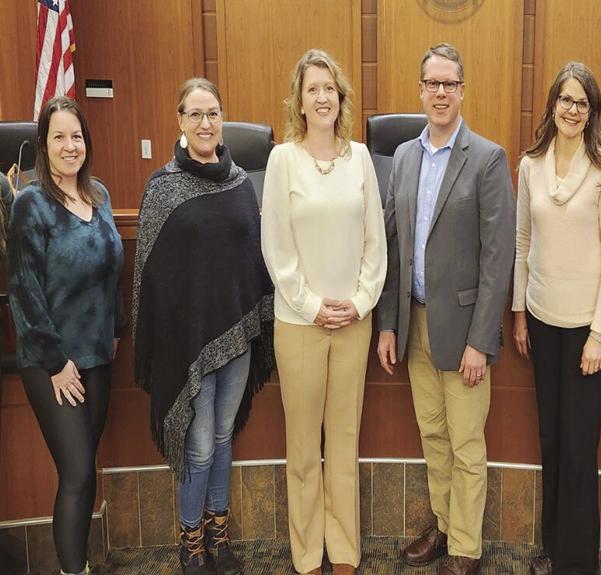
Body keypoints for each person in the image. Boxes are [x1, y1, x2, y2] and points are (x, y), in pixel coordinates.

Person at [375, 42, 516, 575]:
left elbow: (497, 259)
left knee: (465, 443)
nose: (440, 92)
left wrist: (482, 340)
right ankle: (442, 522)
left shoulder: (487, 158)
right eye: (432, 83)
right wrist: (388, 325)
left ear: (462, 90)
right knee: (433, 435)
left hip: (463, 331)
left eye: (449, 84)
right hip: (414, 323)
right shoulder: (405, 157)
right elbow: (395, 247)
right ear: (421, 90)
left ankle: (466, 548)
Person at [133, 77, 276, 575]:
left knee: (220, 439)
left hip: (235, 338)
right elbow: (150, 277)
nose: (205, 123)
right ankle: (189, 541)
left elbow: (253, 257)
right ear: (179, 121)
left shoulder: (240, 183)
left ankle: (218, 534)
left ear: (223, 118)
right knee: (196, 445)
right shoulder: (163, 187)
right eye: (194, 114)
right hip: (187, 344)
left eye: (212, 113)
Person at [261, 48, 387, 575]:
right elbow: (276, 247)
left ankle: (345, 553)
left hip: (354, 325)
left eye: (329, 88)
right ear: (299, 99)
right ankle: (308, 555)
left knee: (344, 443)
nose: (321, 97)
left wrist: (357, 304)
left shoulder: (360, 157)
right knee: (302, 448)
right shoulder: (281, 159)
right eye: (312, 88)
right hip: (300, 326)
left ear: (341, 98)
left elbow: (374, 243)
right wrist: (313, 307)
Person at [511, 61, 601, 575]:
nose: (573, 110)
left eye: (582, 102)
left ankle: (579, 564)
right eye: (565, 99)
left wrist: (599, 332)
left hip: (585, 330)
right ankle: (555, 551)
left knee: (580, 449)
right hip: (540, 319)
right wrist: (518, 313)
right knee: (552, 441)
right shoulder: (530, 165)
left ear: (591, 111)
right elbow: (522, 242)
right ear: (552, 104)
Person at [6, 96, 124, 575]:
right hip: (52, 364)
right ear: (44, 144)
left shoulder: (99, 195)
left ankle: (80, 563)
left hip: (98, 357)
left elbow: (112, 271)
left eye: (76, 136)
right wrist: (56, 362)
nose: (69, 145)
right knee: (76, 475)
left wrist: (116, 329)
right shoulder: (31, 204)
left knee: (85, 469)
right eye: (59, 137)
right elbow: (24, 291)